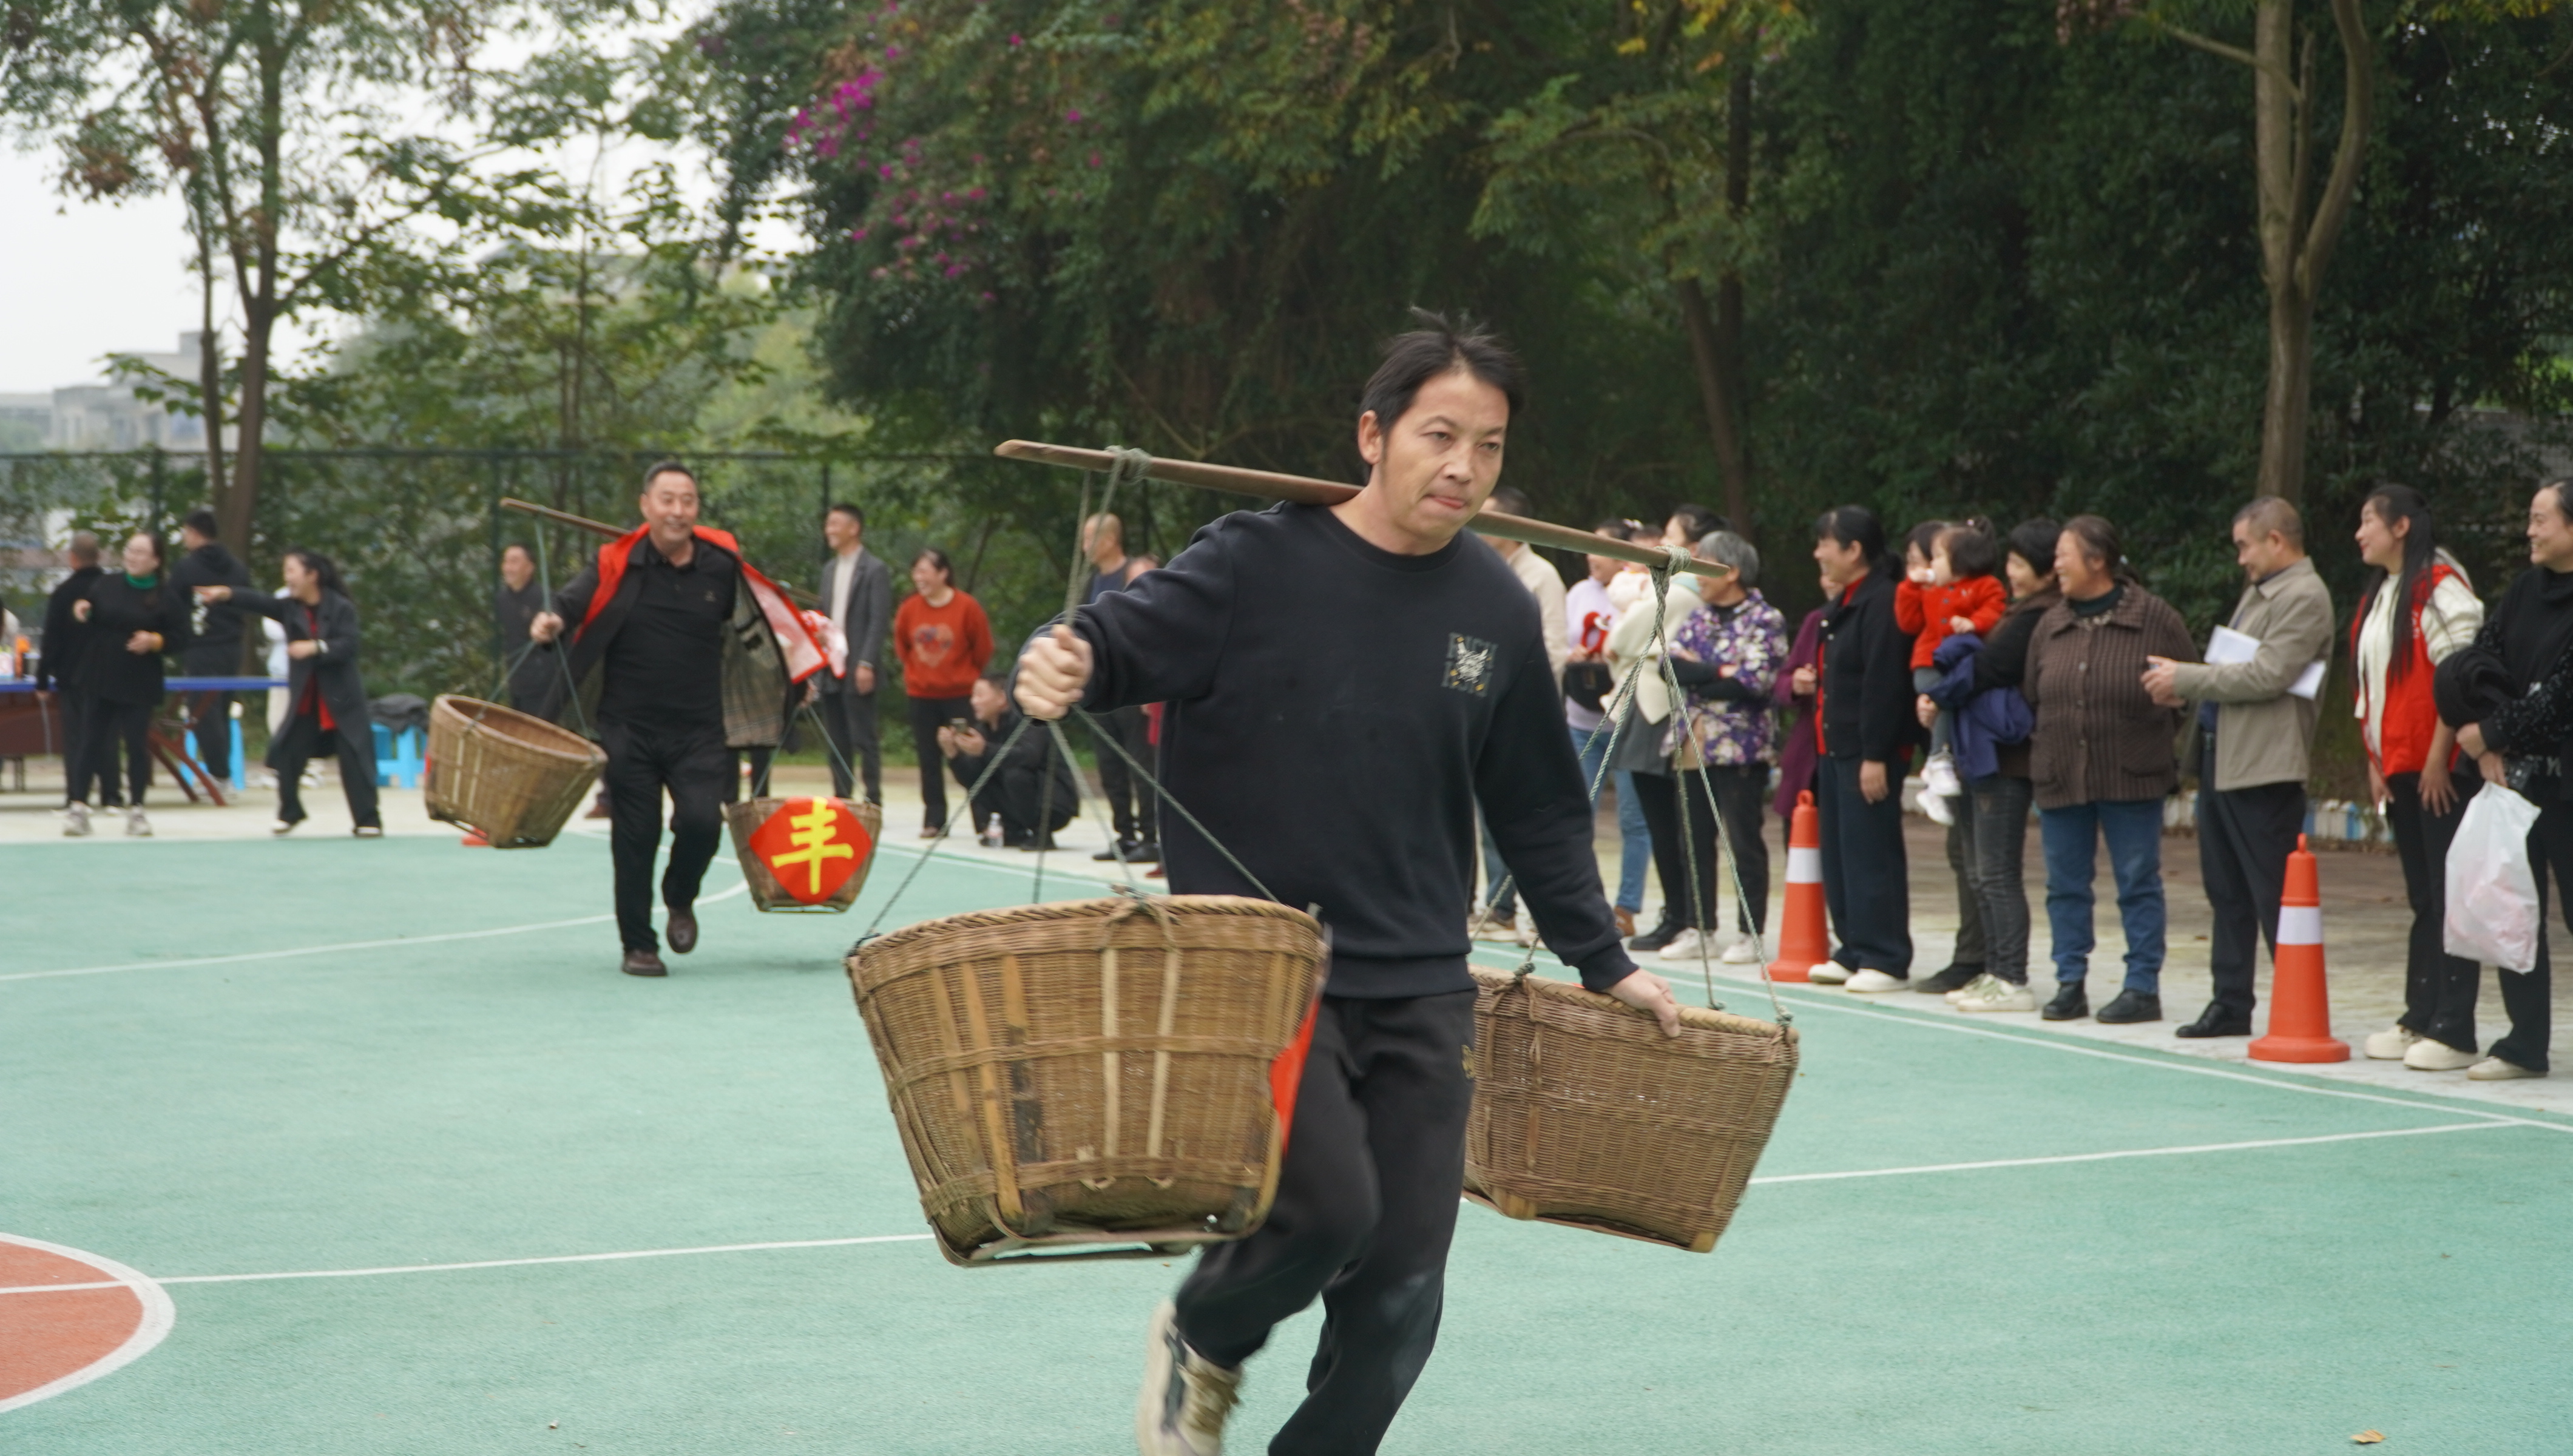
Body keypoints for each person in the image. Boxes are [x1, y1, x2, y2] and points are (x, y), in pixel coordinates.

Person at [1012, 312, 1679, 1456]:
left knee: (1402, 1297)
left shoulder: (1494, 608)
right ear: (1373, 436)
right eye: (1439, 435)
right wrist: (1060, 656)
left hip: (1423, 980)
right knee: (1326, 1212)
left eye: (1489, 445)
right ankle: (1204, 1335)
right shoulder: (1253, 561)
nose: (1464, 466)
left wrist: (1603, 959)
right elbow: (1107, 644)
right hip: (1267, 973)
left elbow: (1535, 804)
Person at [529, 461, 822, 977]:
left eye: (687, 500)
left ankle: (680, 894)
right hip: (628, 727)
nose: (678, 511)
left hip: (699, 729)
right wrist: (550, 622)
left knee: (704, 824)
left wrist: (793, 681)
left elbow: (760, 627)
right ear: (646, 506)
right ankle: (638, 945)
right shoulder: (618, 563)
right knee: (635, 836)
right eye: (667, 500)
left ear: (697, 508)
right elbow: (568, 606)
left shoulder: (720, 567)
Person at [2143, 497, 2335, 1039]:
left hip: (2265, 767)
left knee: (2274, 894)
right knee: (2226, 889)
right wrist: (2194, 687)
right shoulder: (2262, 590)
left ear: (2276, 540)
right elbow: (2237, 667)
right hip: (2224, 759)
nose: (2241, 559)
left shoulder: (2305, 595)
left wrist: (2187, 678)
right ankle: (2230, 1002)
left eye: (2245, 546)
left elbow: (2267, 675)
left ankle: (2298, 1007)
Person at [2023, 516, 2194, 1022]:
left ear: (2097, 561)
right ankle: (2069, 981)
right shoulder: (2051, 623)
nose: (2055, 565)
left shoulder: (2154, 617)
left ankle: (2142, 986)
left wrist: (2153, 736)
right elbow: (2032, 693)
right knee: (2064, 885)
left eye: (2064, 555)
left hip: (2132, 775)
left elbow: (2191, 688)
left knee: (2138, 881)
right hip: (2061, 775)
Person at [2346, 487, 2484, 1070]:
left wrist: (2437, 757)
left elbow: (2460, 676)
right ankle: (2420, 1015)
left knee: (2450, 896)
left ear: (2401, 526)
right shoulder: (2383, 591)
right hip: (2400, 767)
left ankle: (2455, 1027)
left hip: (2439, 769)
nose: (2359, 533)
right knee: (2424, 897)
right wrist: (2375, 760)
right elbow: (2371, 685)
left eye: (2368, 521)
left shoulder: (2440, 585)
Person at [2441, 477, 2573, 1081]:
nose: (2529, 530)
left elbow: (2561, 700)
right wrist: (2484, 734)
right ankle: (2524, 1044)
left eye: (2541, 519)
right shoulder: (2523, 590)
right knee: (2514, 909)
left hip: (2566, 787)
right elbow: (2480, 660)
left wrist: (2492, 733)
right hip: (2517, 783)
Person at [1924, 517, 2060, 1013]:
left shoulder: (2036, 615)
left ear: (2047, 570)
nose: (2012, 574)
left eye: (2020, 565)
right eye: (2011, 563)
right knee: (1982, 872)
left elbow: (1989, 666)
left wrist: (1939, 695)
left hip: (2006, 761)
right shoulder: (2019, 609)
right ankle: (1994, 970)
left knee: (1997, 873)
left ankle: (2011, 976)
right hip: (1982, 758)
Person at [1802, 505, 1919, 991]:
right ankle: (1852, 947)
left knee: (1872, 852)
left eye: (1825, 544)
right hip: (1835, 747)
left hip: (1867, 751)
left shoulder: (1883, 600)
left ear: (1854, 550)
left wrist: (1876, 754)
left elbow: (1883, 684)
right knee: (1840, 852)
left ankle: (1885, 956)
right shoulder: (1845, 602)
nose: (1818, 553)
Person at [1661, 529, 1787, 964]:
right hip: (1692, 738)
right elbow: (1668, 667)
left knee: (1743, 841)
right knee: (1693, 840)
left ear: (1730, 571)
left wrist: (1703, 673)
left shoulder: (1765, 618)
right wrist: (1721, 671)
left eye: (1704, 566)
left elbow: (1753, 682)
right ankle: (1699, 927)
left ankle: (1750, 932)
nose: (1697, 575)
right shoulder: (1700, 616)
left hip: (1741, 747)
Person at [196, 551, 382, 837]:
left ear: (312, 575)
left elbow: (349, 645)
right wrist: (227, 594)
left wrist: (315, 647)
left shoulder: (341, 607)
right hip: (307, 700)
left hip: (341, 701)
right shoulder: (290, 608)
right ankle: (289, 813)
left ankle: (368, 820)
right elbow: (260, 602)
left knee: (355, 758)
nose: (287, 578)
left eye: (291, 571)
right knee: (287, 753)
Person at [1902, 519, 2009, 989]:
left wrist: (1941, 696)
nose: (1924, 569)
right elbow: (1911, 620)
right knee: (1965, 856)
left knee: (1984, 864)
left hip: (1983, 752)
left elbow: (1979, 663)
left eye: (1931, 560)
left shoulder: (1990, 600)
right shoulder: (1934, 595)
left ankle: (1991, 962)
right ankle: (1975, 956)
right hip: (1953, 720)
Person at [1468, 484, 1569, 942]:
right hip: (1479, 706)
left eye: (1487, 517)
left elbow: (1554, 649)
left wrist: (1521, 701)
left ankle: (1536, 915)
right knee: (1484, 819)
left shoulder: (1541, 575)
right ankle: (1499, 908)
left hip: (1523, 710)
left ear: (1510, 525)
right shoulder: (1477, 566)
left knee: (1525, 813)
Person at [1604, 525, 1709, 954]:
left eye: (1673, 532)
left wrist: (1624, 647)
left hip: (1657, 706)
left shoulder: (1681, 590)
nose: (1666, 540)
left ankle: (1679, 916)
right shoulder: (1678, 588)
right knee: (1663, 820)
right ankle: (1679, 914)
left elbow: (1622, 637)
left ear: (1694, 546)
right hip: (1651, 702)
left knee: (1666, 820)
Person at [65, 531, 191, 837]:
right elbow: (90, 607)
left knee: (136, 745)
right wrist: (82, 608)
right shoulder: (107, 584)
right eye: (130, 550)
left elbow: (182, 637)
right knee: (90, 740)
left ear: (156, 561)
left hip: (139, 679)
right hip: (101, 674)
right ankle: (78, 808)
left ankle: (137, 810)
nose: (132, 557)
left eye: (140, 552)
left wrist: (155, 640)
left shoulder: (166, 596)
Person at [1565, 519, 1651, 937]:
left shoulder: (1642, 592)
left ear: (1623, 556)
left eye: (1600, 548)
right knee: (1576, 814)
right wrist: (1574, 655)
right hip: (1581, 718)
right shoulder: (1579, 593)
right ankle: (1579, 904)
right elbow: (1563, 641)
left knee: (1633, 819)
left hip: (1626, 720)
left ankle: (1626, 908)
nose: (1591, 556)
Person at [1896, 519, 2007, 827]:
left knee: (1951, 711)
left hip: (1960, 666)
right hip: (1929, 663)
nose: (1931, 565)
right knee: (1943, 703)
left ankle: (1936, 780)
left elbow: (1995, 609)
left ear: (1960, 560)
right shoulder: (1930, 590)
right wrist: (1909, 587)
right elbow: (1908, 622)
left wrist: (1975, 623)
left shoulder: (1987, 586)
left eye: (1937, 557)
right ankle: (1937, 760)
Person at [893, 546, 995, 838]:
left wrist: (963, 676)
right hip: (922, 695)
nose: (919, 577)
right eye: (916, 571)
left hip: (960, 695)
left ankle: (984, 818)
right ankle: (935, 820)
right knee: (928, 758)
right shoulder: (909, 608)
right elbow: (903, 647)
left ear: (943, 573)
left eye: (925, 571)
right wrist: (920, 674)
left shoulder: (967, 607)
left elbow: (983, 648)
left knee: (970, 751)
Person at [1080, 512, 1161, 861]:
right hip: (1100, 683)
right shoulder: (1090, 580)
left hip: (1132, 684)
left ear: (1110, 540)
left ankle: (1150, 836)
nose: (1084, 546)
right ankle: (1124, 835)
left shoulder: (1135, 573)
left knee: (1140, 764)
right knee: (1109, 766)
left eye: (1090, 538)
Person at [941, 673, 1078, 848]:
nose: (974, 702)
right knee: (981, 773)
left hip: (1052, 802)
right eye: (973, 696)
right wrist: (953, 755)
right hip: (1016, 801)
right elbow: (971, 779)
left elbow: (1028, 757)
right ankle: (1010, 830)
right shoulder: (983, 729)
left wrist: (985, 750)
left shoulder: (1031, 720)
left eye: (980, 695)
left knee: (1015, 773)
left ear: (1001, 698)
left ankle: (1041, 833)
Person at [166, 509, 254, 780]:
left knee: (202, 711)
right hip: (232, 647)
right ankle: (223, 773)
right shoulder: (237, 567)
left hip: (201, 646)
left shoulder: (186, 568)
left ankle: (219, 773)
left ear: (193, 532)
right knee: (223, 709)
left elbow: (172, 606)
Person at [816, 502, 891, 804]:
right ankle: (841, 800)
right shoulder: (829, 570)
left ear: (854, 528)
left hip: (858, 664)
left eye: (835, 524)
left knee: (864, 737)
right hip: (830, 666)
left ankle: (873, 800)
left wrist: (867, 662)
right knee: (836, 739)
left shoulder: (874, 569)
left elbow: (878, 619)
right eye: (828, 524)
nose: (829, 530)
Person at [36, 533, 106, 812]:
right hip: (107, 674)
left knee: (76, 736)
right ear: (99, 556)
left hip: (72, 674)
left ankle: (76, 795)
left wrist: (42, 678)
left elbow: (51, 639)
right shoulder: (111, 589)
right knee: (107, 734)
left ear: (72, 558)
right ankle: (112, 795)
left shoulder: (63, 593)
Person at [494, 542, 562, 716]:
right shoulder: (502, 599)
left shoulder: (545, 598)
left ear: (530, 568)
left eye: (514, 561)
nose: (508, 568)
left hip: (543, 685)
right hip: (516, 682)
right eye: (506, 562)